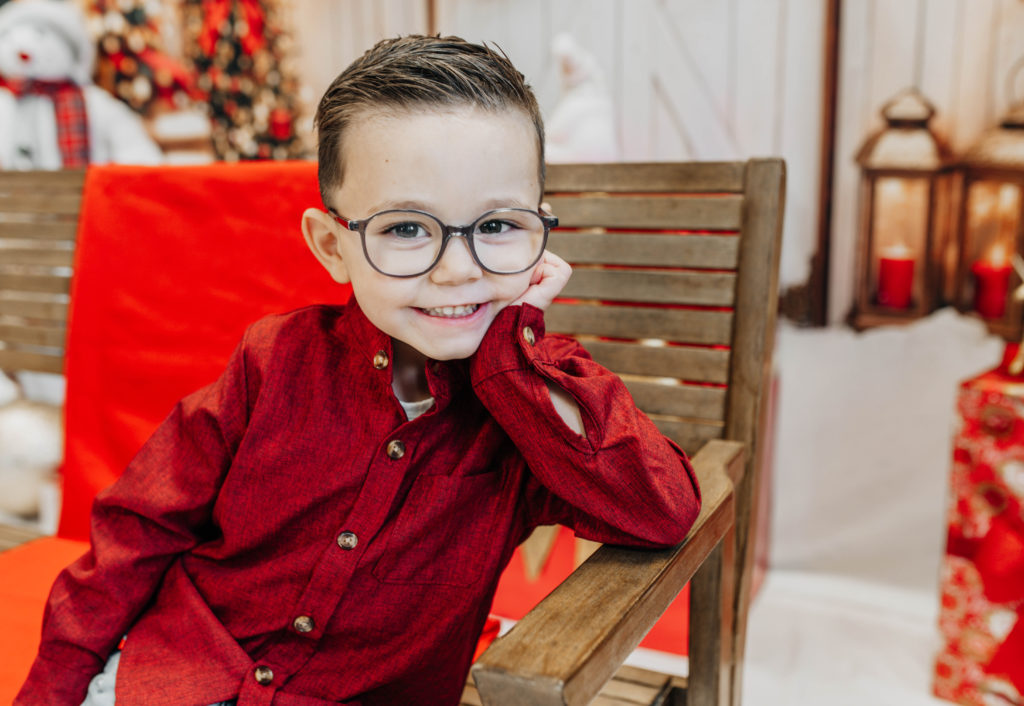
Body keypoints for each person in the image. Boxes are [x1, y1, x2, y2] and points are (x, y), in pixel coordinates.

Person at [17, 35, 700, 706]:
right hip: (180, 672)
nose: (456, 269)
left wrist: (508, 364)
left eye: (497, 226)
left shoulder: (537, 405)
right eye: (405, 228)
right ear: (331, 246)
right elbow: (138, 526)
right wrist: (54, 688)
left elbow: (661, 509)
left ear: (540, 234)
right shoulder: (272, 359)